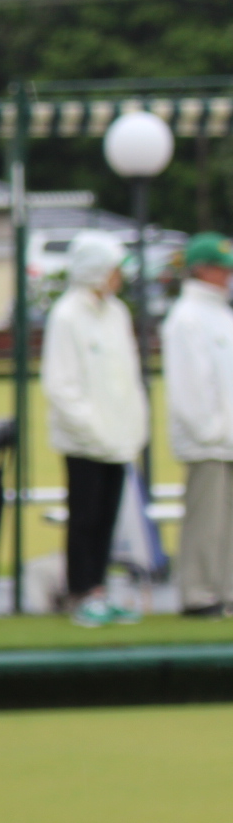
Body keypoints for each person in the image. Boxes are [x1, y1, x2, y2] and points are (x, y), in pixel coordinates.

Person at [43, 231, 147, 627]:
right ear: (95, 271)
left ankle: (100, 589)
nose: (119, 277)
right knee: (84, 517)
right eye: (114, 270)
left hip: (118, 439)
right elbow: (61, 385)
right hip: (83, 440)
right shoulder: (67, 315)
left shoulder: (117, 312)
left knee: (107, 517)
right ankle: (80, 592)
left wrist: (131, 426)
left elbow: (126, 376)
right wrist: (92, 428)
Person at [162, 232, 233, 616]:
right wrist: (212, 431)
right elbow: (190, 386)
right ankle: (198, 594)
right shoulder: (186, 318)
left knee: (227, 525)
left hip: (228, 439)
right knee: (206, 522)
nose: (227, 276)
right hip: (209, 441)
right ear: (202, 270)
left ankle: (225, 589)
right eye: (222, 270)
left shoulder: (221, 314)